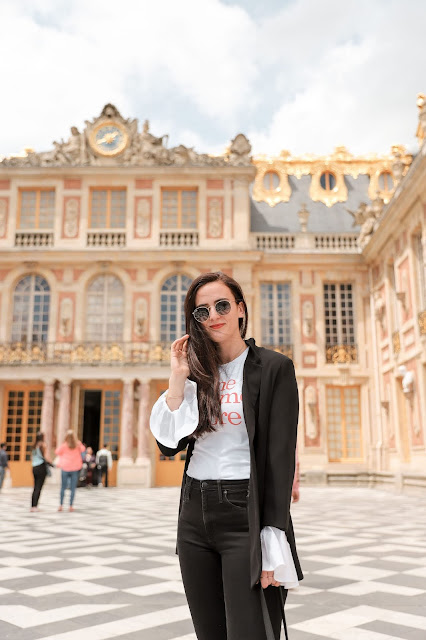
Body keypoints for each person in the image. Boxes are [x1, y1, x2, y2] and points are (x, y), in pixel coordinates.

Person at [150, 272, 303, 640]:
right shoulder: (196, 375)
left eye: (222, 305)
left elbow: (279, 460)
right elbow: (168, 445)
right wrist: (177, 378)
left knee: (249, 631)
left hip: (243, 512)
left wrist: (272, 537)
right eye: (202, 311)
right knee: (210, 632)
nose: (214, 315)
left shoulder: (273, 367)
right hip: (194, 514)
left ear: (240, 309)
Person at [55, 430, 85, 511]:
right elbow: (83, 449)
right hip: (75, 468)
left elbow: (57, 452)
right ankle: (70, 506)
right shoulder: (77, 444)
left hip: (65, 467)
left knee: (63, 487)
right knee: (73, 488)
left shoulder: (64, 445)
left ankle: (61, 505)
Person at [31, 432, 52, 512]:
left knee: (35, 487)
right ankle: (35, 506)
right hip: (41, 467)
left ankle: (33, 505)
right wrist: (52, 463)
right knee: (39, 487)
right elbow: (46, 456)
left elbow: (32, 457)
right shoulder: (43, 445)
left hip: (34, 467)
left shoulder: (34, 446)